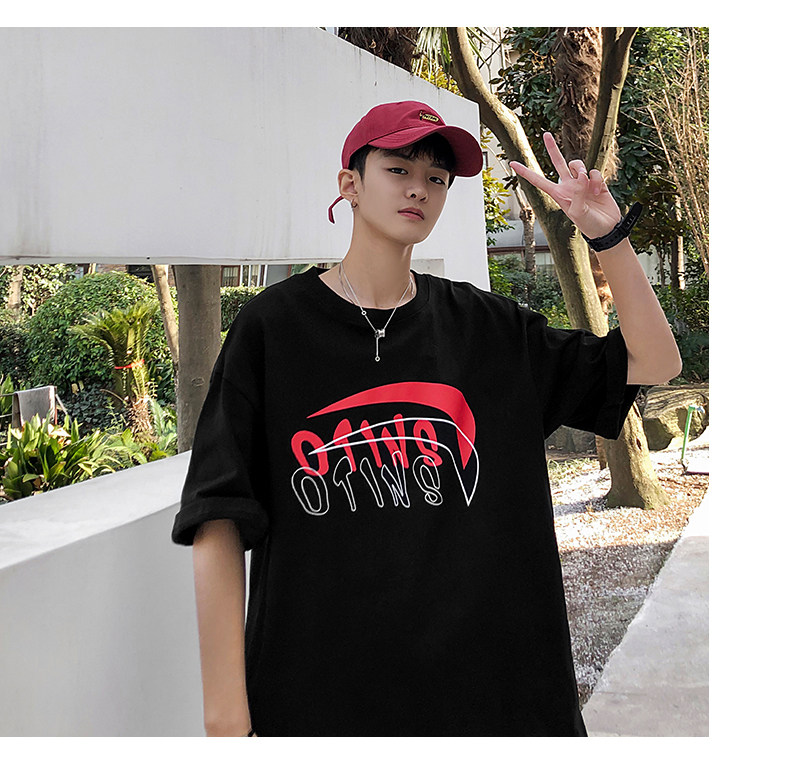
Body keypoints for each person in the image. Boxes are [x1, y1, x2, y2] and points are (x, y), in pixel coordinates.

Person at [171, 100, 681, 737]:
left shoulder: (491, 330)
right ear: (350, 184)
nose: (419, 188)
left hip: (495, 701)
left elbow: (654, 362)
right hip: (324, 702)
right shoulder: (272, 330)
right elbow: (218, 513)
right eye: (398, 169)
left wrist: (609, 238)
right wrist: (226, 722)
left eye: (437, 178)